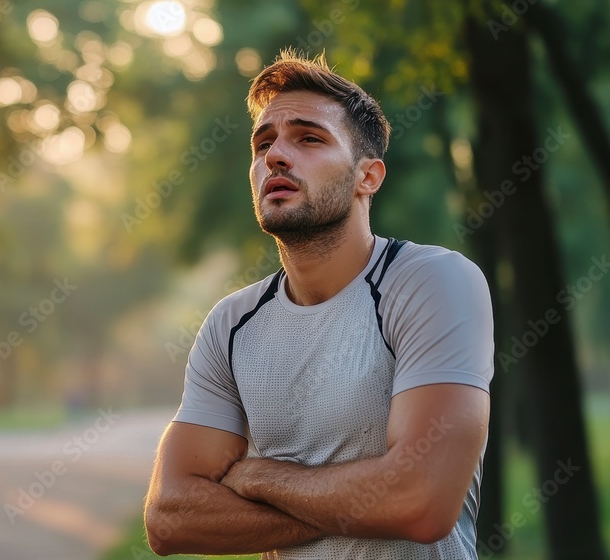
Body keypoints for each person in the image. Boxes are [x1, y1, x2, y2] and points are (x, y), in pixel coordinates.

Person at [143, 49, 493, 559]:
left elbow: (421, 503)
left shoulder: (430, 281)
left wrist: (257, 476)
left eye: (309, 138)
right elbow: (170, 519)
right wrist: (363, 501)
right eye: (263, 144)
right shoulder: (232, 324)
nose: (275, 157)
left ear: (367, 177)